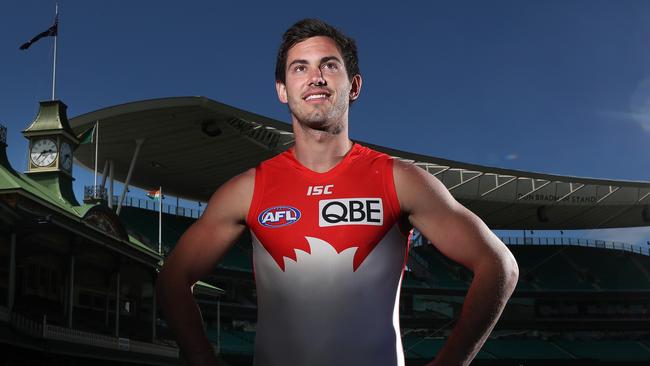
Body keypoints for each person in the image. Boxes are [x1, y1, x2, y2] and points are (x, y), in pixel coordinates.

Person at [157, 18, 519, 366]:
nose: (314, 77)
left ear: (354, 85)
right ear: (282, 90)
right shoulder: (248, 189)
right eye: (299, 68)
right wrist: (202, 359)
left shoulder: (400, 180)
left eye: (329, 66)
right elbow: (174, 278)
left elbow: (499, 265)